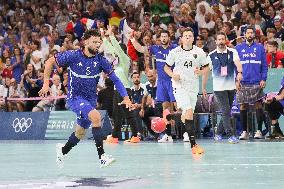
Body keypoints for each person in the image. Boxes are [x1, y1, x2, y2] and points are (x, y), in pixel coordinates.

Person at [39, 29, 132, 168]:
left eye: (99, 42)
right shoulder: (73, 55)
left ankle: (62, 150)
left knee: (80, 133)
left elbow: (116, 80)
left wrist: (126, 97)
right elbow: (50, 62)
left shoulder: (101, 60)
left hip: (90, 100)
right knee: (95, 117)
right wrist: (46, 83)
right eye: (94, 42)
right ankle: (102, 157)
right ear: (86, 42)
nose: (97, 44)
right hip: (75, 98)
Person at [164, 27, 210, 154]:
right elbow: (166, 68)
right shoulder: (175, 52)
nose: (188, 37)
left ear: (193, 38)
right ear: (182, 38)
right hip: (179, 86)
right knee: (189, 112)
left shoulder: (199, 52)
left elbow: (207, 68)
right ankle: (194, 145)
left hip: (193, 86)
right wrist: (173, 75)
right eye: (186, 36)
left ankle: (170, 116)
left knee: (186, 116)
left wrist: (200, 72)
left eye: (190, 35)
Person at [131, 30, 178, 143]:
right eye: (162, 36)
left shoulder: (175, 48)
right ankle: (168, 135)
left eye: (165, 36)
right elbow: (141, 49)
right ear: (159, 38)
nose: (163, 38)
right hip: (162, 82)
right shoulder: (156, 48)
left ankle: (186, 133)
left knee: (177, 107)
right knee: (165, 108)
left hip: (173, 81)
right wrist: (132, 39)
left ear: (169, 38)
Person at [207, 31, 243, 144]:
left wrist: (240, 73)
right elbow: (206, 69)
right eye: (219, 39)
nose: (221, 41)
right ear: (216, 41)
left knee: (226, 112)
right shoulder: (211, 55)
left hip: (231, 87)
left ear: (225, 40)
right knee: (226, 110)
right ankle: (230, 135)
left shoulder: (233, 52)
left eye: (223, 39)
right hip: (218, 88)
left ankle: (218, 133)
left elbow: (237, 63)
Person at [235, 25, 269, 140]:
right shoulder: (238, 48)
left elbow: (264, 66)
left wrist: (263, 79)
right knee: (242, 105)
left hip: (256, 81)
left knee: (258, 105)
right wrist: (236, 80)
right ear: (244, 34)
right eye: (247, 33)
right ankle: (245, 132)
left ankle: (259, 130)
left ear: (254, 34)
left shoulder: (260, 48)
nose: (249, 34)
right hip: (243, 82)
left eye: (251, 33)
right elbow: (235, 66)